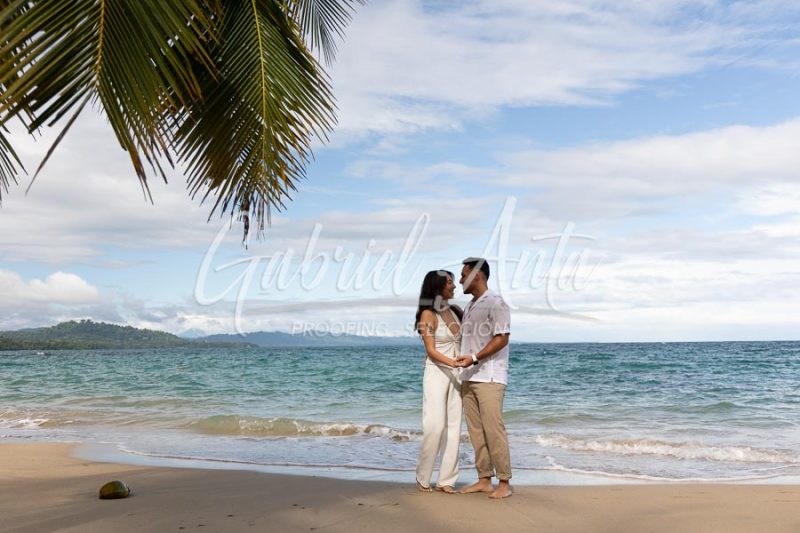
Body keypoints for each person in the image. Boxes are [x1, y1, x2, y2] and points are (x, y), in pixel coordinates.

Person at [454, 257, 513, 499]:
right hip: (469, 376)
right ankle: (483, 479)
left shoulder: (496, 302)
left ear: (476, 275)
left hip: (490, 377)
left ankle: (504, 483)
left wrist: (475, 358)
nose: (459, 280)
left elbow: (502, 338)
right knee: (476, 432)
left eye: (463, 274)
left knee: (493, 430)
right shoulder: (469, 306)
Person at [414, 269, 464, 494]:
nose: (454, 286)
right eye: (450, 283)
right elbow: (431, 350)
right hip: (436, 373)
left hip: (458, 375)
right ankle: (423, 476)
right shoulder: (427, 314)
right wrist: (454, 363)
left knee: (454, 427)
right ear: (438, 287)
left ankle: (447, 480)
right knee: (435, 426)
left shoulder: (456, 310)